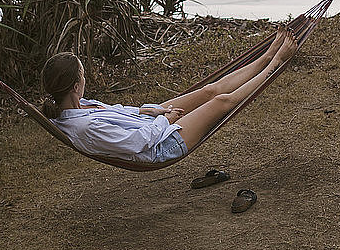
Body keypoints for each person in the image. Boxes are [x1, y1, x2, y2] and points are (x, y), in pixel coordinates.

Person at [41, 26, 298, 164]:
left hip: (151, 123)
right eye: (83, 75)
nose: (86, 79)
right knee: (221, 102)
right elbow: (138, 143)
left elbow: (119, 112)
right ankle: (275, 63)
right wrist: (168, 119)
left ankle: (264, 56)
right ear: (75, 86)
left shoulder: (82, 106)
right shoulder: (85, 128)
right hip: (160, 145)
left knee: (210, 90)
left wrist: (150, 111)